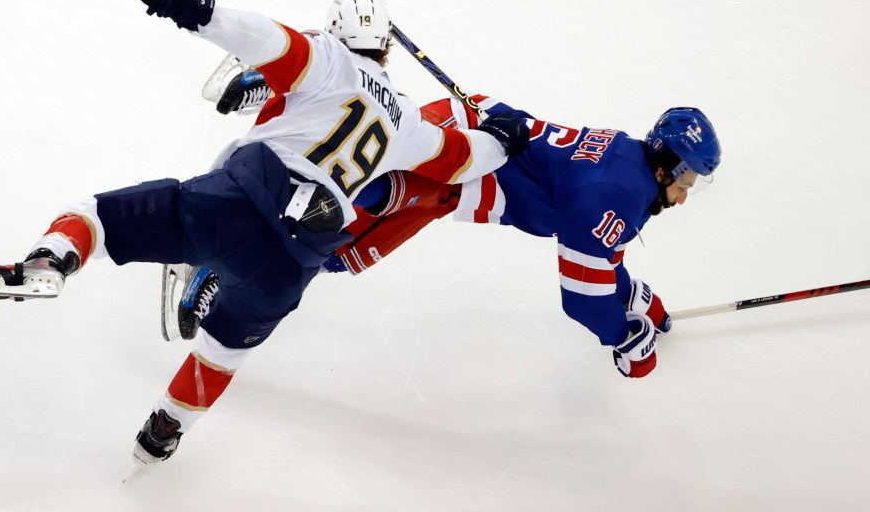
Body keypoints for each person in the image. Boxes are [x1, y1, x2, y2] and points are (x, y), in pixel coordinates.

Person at [0, 0, 529, 470]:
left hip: (233, 205)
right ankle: (165, 432)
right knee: (221, 352)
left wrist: (199, 9)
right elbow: (464, 160)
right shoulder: (406, 120)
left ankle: (50, 261)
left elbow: (269, 40)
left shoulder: (328, 60)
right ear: (386, 48)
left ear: (334, 32)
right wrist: (503, 137)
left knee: (99, 218)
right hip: (292, 262)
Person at [211, 79, 722, 378]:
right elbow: (583, 298)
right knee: (332, 221)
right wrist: (623, 337)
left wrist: (634, 297)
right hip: (453, 166)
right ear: (667, 167)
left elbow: (601, 255)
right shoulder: (615, 197)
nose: (686, 194)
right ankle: (289, 108)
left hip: (461, 152)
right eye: (689, 180)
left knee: (346, 247)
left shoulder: (626, 165)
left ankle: (304, 105)